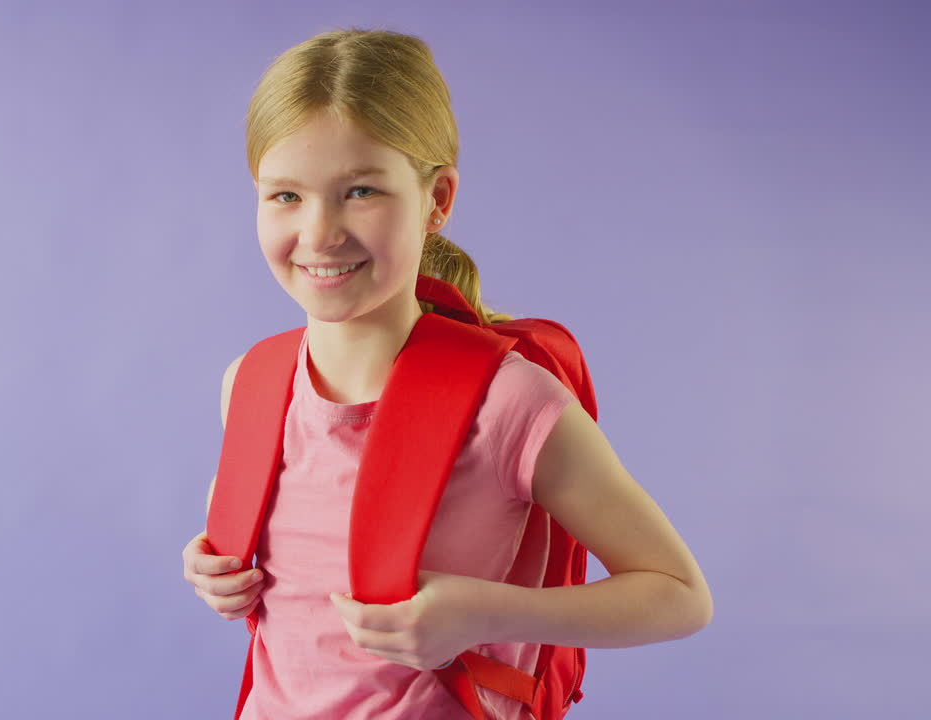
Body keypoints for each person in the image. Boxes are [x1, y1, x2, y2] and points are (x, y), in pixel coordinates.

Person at [181, 27, 713, 720]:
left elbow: (678, 594)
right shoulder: (250, 383)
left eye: (361, 190)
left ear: (438, 200)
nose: (318, 234)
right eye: (285, 196)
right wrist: (212, 568)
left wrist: (484, 613)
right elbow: (289, 561)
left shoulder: (508, 402)